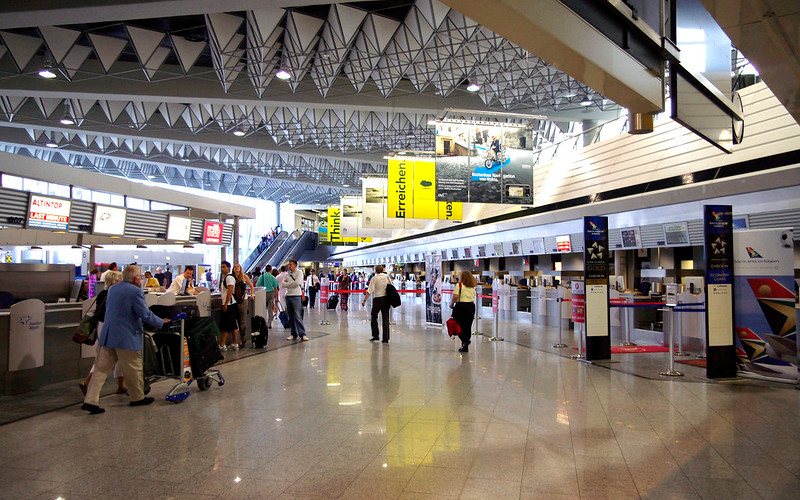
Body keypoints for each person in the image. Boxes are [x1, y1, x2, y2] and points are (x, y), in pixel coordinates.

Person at [81, 265, 171, 414]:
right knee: (133, 368)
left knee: (100, 369)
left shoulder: (113, 289)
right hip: (126, 336)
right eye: (140, 277)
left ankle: (90, 401)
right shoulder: (135, 291)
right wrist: (161, 322)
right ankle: (137, 398)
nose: (141, 279)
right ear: (136, 279)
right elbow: (145, 314)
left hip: (108, 335)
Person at [79, 270, 125, 396]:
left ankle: (121, 386)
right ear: (116, 281)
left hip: (101, 326)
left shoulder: (102, 294)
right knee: (110, 357)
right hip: (112, 327)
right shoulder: (115, 294)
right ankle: (88, 382)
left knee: (106, 355)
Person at [362, 265, 391, 343]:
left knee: (374, 317)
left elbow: (369, 291)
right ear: (382, 270)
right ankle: (385, 338)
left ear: (375, 270)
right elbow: (391, 287)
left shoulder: (374, 278)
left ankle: (376, 335)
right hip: (386, 299)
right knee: (385, 318)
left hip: (377, 299)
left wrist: (364, 301)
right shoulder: (387, 277)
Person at [280, 259, 307, 341]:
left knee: (298, 316)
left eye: (291, 264)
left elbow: (297, 283)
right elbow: (283, 284)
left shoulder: (299, 272)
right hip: (288, 296)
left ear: (295, 265)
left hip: (296, 296)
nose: (289, 266)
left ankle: (302, 334)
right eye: (289, 265)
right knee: (290, 316)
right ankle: (293, 333)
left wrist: (288, 284)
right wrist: (291, 284)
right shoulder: (287, 274)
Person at [451, 270, 477, 353]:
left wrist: (451, 303)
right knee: (467, 326)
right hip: (471, 306)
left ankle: (465, 340)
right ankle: (465, 346)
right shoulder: (472, 286)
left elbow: (455, 296)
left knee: (456, 325)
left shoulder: (459, 285)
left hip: (461, 306)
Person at [217, 261, 240, 351]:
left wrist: (226, 303)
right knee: (233, 324)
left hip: (229, 304)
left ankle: (222, 344)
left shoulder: (229, 278)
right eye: (221, 267)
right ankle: (235, 342)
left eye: (224, 267)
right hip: (232, 304)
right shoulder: (228, 277)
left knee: (225, 325)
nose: (222, 269)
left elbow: (230, 290)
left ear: (229, 268)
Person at [233, 263, 254, 348]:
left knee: (242, 320)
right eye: (235, 267)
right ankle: (235, 340)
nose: (236, 268)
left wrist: (252, 294)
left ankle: (242, 338)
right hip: (234, 301)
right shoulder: (231, 277)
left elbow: (251, 286)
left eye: (238, 267)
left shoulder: (244, 277)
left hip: (243, 300)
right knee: (234, 320)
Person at [256, 264, 279, 329]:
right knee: (270, 309)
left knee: (262, 308)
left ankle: (262, 322)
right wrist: (276, 297)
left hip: (263, 294)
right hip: (271, 293)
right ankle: (269, 323)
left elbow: (258, 285)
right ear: (271, 270)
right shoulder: (273, 277)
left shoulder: (262, 276)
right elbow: (276, 288)